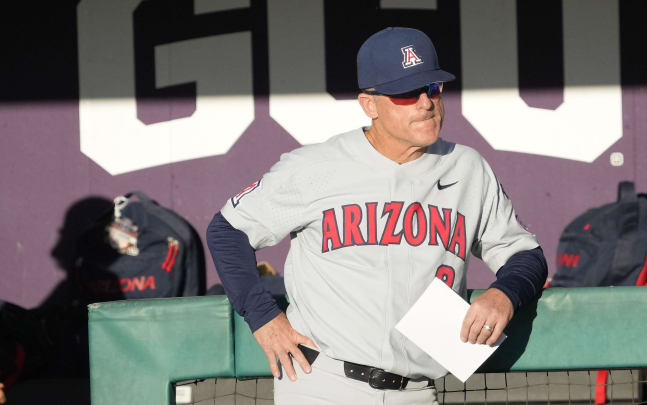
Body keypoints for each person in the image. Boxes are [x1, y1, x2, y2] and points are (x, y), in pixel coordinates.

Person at [207, 27, 547, 405]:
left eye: (433, 88)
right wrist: (264, 319)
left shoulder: (467, 168)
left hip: (418, 391)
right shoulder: (315, 166)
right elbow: (227, 231)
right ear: (370, 104)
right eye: (407, 93)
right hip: (322, 380)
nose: (426, 103)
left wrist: (505, 294)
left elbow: (525, 254)